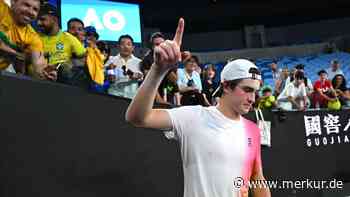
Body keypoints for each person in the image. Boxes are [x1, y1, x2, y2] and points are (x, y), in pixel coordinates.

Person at [126, 18, 271, 197]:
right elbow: (137, 117)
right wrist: (158, 70)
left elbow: (258, 179)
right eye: (247, 90)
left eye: (255, 92)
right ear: (226, 86)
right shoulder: (193, 116)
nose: (252, 98)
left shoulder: (252, 130)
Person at [0, 0, 56, 80]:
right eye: (26, 5)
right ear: (13, 2)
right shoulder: (1, 8)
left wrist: (46, 73)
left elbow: (38, 65)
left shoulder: (33, 37)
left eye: (35, 9)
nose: (30, 12)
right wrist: (17, 55)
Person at [36, 3, 86, 84]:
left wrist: (62, 66)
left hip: (61, 85)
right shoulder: (34, 37)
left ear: (54, 19)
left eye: (42, 19)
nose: (38, 23)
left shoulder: (69, 38)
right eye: (37, 20)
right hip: (36, 82)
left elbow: (84, 59)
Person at [104, 34, 142, 99]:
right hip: (113, 96)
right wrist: (108, 72)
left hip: (131, 98)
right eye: (122, 44)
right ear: (118, 46)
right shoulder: (111, 59)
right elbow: (101, 73)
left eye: (128, 44)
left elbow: (143, 77)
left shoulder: (139, 62)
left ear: (133, 47)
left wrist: (138, 76)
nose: (126, 47)